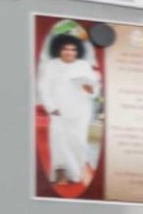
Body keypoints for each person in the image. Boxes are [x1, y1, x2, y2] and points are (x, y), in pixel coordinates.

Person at [37, 30, 102, 190]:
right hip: (58, 112)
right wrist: (51, 107)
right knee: (59, 141)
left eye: (73, 49)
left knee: (78, 142)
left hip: (80, 112)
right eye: (65, 49)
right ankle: (61, 173)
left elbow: (94, 90)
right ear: (59, 49)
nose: (69, 52)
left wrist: (90, 89)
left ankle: (76, 174)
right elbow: (44, 88)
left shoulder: (83, 66)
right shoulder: (52, 65)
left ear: (77, 51)